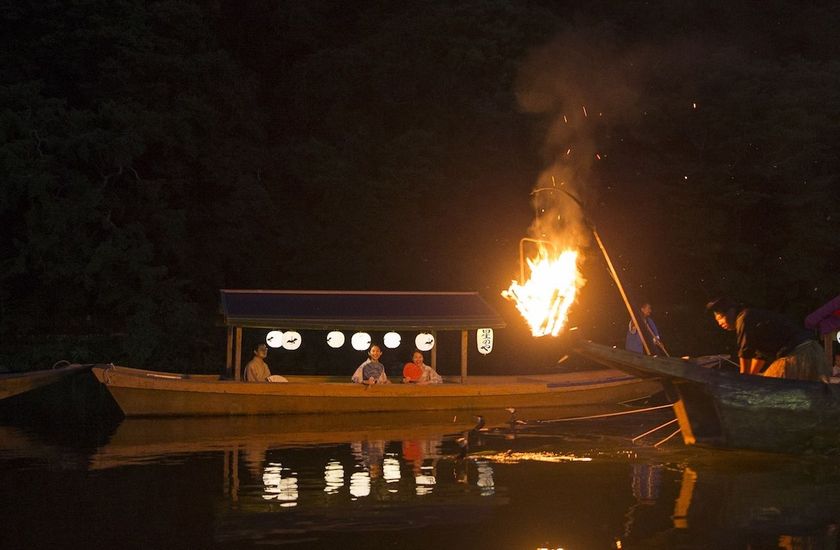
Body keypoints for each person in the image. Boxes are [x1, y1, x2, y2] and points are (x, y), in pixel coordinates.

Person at [706, 297, 831, 382]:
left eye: (721, 318)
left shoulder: (743, 318)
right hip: (812, 353)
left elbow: (745, 351)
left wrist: (743, 381)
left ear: (731, 311)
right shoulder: (753, 317)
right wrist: (751, 377)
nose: (720, 323)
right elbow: (760, 356)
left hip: (798, 356)